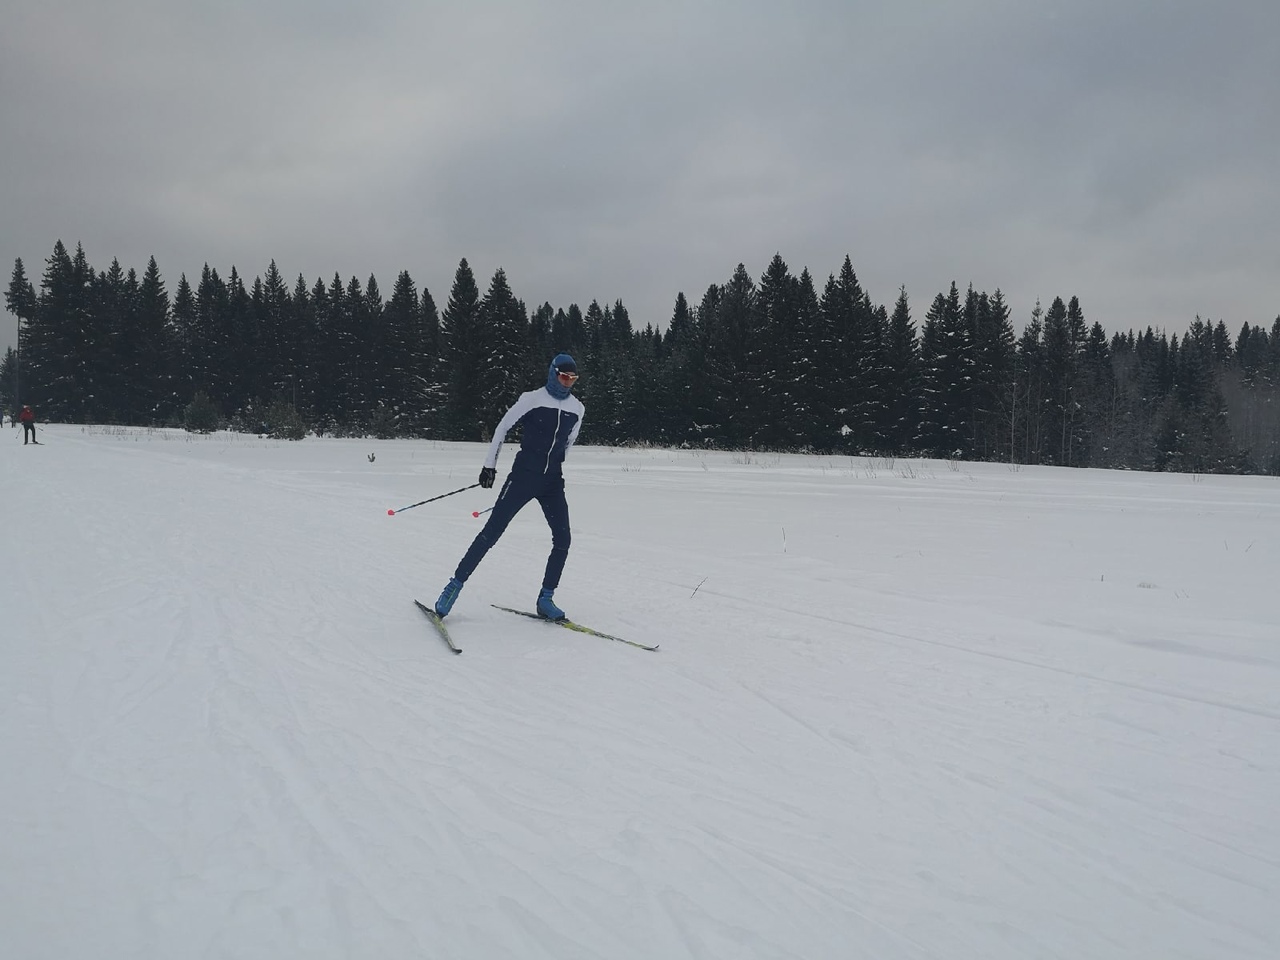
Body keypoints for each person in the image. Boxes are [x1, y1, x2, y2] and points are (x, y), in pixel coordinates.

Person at [435, 354, 585, 620]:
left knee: (563, 539)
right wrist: (489, 466)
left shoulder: (577, 409)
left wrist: (555, 467)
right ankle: (453, 587)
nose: (567, 384)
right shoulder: (532, 399)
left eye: (572, 380)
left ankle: (546, 599)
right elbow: (503, 428)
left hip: (551, 482)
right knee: (491, 533)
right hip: (522, 478)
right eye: (563, 377)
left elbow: (567, 444)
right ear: (553, 374)